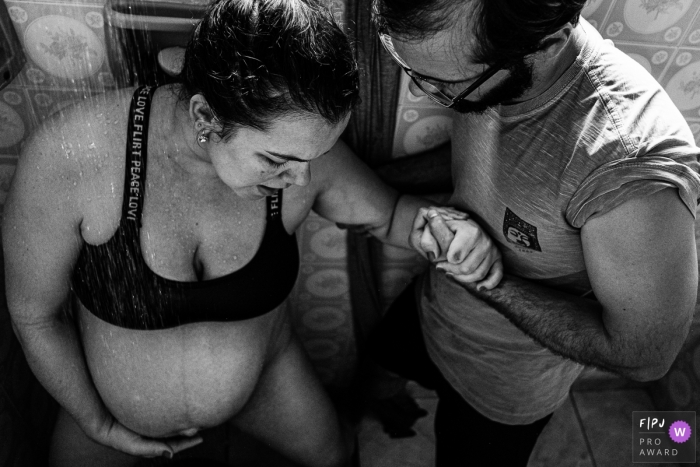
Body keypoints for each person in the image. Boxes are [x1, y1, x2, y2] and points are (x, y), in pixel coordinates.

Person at [1, 0, 503, 466]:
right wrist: (96, 421)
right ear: (206, 115)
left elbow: (390, 215)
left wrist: (450, 234)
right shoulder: (72, 157)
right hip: (107, 412)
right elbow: (35, 315)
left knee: (338, 456)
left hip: (265, 379)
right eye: (276, 161)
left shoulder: (298, 150)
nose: (303, 180)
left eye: (315, 158)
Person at [368, 0, 700, 465]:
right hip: (430, 309)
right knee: (376, 376)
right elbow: (492, 168)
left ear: (547, 41)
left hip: (505, 391)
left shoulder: (628, 174)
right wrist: (373, 180)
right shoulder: (482, 67)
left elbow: (643, 355)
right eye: (413, 73)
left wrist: (489, 282)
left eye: (444, 86)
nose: (427, 94)